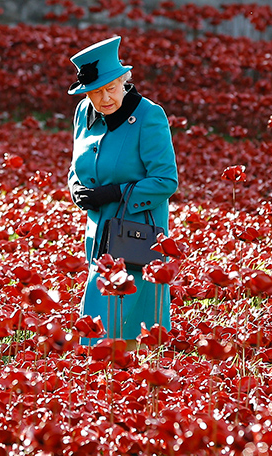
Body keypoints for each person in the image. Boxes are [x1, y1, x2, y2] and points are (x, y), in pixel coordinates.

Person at [66, 36, 178, 347]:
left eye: (110, 88)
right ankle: (107, 388)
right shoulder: (82, 114)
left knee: (123, 325)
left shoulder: (148, 116)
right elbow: (77, 166)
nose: (104, 99)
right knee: (102, 325)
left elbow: (166, 180)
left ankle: (122, 387)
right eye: (95, 92)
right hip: (99, 233)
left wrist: (116, 193)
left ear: (123, 81)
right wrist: (75, 186)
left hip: (136, 236)